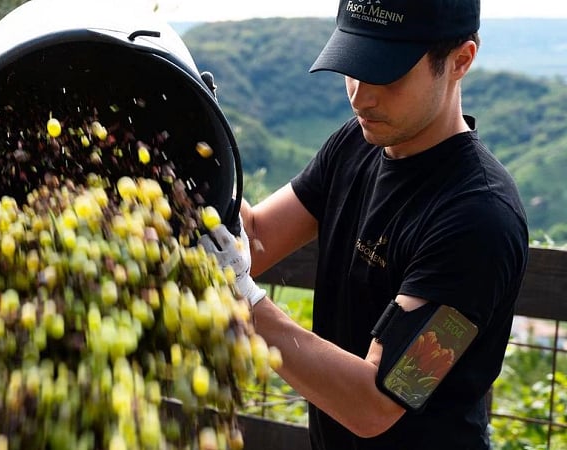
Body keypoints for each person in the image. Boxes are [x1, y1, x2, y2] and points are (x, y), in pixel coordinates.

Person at [200, 0, 529, 448]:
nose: (360, 95)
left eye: (386, 74)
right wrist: (191, 163)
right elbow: (255, 237)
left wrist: (246, 302)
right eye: (353, 68)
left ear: (460, 61)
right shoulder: (358, 142)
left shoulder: (479, 220)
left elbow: (376, 401)